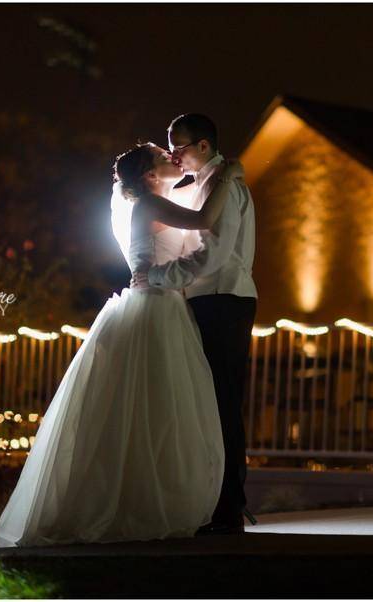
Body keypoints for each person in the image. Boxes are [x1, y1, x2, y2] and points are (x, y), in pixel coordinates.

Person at [0, 143, 243, 546]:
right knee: (148, 407)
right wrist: (227, 175)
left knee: (157, 411)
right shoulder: (147, 205)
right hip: (154, 309)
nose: (173, 160)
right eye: (164, 158)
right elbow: (205, 217)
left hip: (162, 305)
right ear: (148, 176)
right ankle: (134, 505)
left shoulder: (156, 201)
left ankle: (152, 497)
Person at [147, 114, 258, 535]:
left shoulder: (226, 187)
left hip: (223, 299)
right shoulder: (202, 185)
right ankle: (216, 501)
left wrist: (161, 278)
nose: (175, 156)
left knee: (223, 402)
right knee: (209, 403)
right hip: (206, 298)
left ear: (205, 146)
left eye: (181, 147)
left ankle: (229, 508)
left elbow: (212, 256)